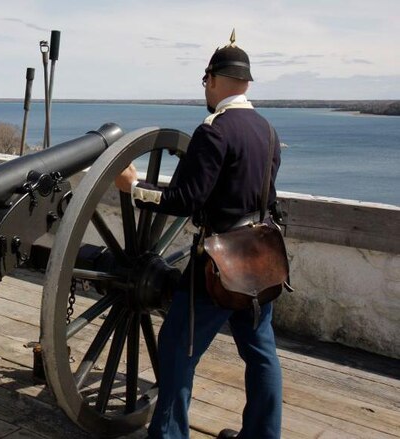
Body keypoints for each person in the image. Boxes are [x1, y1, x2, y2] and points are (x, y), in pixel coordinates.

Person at [115, 32, 283, 439]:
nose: (205, 89)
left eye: (206, 81)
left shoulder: (214, 131)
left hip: (220, 264)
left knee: (178, 348)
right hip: (261, 259)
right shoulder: (268, 131)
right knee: (261, 354)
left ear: (213, 80)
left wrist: (134, 188)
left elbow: (185, 199)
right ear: (246, 83)